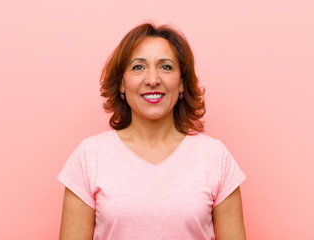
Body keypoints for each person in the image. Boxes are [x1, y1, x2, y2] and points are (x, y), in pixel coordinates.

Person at [57, 22, 247, 240]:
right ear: (121, 83)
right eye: (138, 67)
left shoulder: (215, 156)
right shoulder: (89, 156)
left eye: (166, 67)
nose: (153, 80)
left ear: (182, 83)